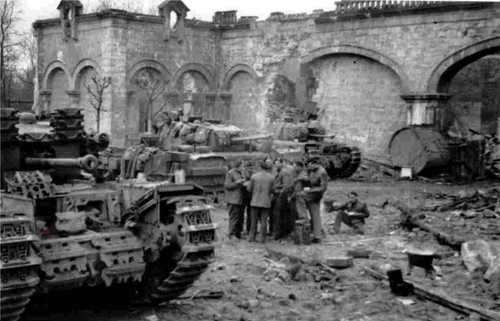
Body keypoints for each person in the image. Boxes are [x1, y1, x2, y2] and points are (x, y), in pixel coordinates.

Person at [295, 157, 328, 243]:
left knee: (299, 196)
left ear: (314, 163)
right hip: (311, 192)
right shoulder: (311, 170)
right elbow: (309, 179)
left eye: (309, 166)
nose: (308, 168)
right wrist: (304, 179)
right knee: (315, 214)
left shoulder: (322, 172)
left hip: (316, 194)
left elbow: (323, 188)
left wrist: (310, 190)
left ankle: (304, 218)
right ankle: (317, 235)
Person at [247, 161, 275, 243]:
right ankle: (262, 238)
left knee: (253, 220)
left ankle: (251, 237)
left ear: (260, 167)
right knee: (264, 221)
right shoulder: (271, 177)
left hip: (255, 201)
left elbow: (249, 189)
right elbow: (273, 190)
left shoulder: (254, 176)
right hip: (265, 201)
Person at [272, 158, 296, 239]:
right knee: (280, 215)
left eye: (277, 163)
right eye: (275, 163)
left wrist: (279, 191)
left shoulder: (284, 173)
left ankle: (279, 234)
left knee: (278, 215)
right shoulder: (280, 172)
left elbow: (286, 186)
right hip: (280, 195)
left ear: (282, 163)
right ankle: (281, 233)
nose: (275, 165)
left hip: (281, 196)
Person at [224, 160, 246, 239]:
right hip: (233, 200)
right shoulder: (230, 173)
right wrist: (238, 182)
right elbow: (227, 185)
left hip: (239, 199)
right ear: (238, 166)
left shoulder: (240, 173)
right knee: (234, 217)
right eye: (242, 166)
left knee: (240, 217)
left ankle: (238, 233)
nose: (243, 168)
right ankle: (231, 234)